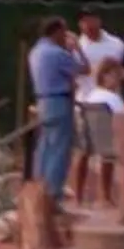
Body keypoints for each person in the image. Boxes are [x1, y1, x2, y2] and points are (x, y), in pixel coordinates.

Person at [72, 12, 124, 209]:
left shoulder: (116, 45)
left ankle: (88, 196)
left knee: (85, 152)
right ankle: (101, 196)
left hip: (90, 103)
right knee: (104, 152)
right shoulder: (76, 46)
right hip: (87, 104)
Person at [25, 19, 80, 197]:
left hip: (43, 101)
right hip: (59, 101)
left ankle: (39, 189)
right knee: (59, 150)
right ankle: (52, 194)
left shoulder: (36, 51)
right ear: (56, 32)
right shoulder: (57, 53)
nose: (65, 36)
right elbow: (83, 69)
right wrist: (74, 49)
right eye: (63, 33)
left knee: (45, 147)